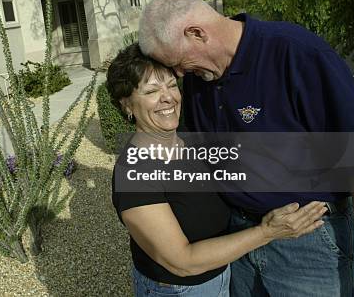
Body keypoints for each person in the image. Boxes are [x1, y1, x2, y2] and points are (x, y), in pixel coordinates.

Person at [138, 0, 354, 296]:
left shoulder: (296, 53)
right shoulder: (200, 76)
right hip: (239, 242)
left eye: (178, 63)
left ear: (197, 33)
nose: (179, 74)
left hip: (308, 244)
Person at [108, 43, 327, 297]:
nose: (168, 97)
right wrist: (267, 232)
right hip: (178, 290)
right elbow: (182, 261)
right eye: (152, 91)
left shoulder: (189, 137)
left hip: (225, 275)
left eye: (170, 85)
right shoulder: (134, 173)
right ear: (127, 105)